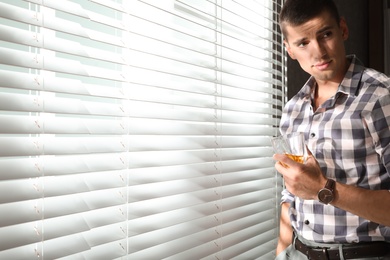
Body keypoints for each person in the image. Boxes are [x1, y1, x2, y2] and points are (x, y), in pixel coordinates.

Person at [274, 0, 390, 259]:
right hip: (298, 252)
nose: (318, 52)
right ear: (289, 49)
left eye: (325, 34)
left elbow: (313, 186)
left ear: (343, 29)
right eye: (303, 43)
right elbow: (290, 193)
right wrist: (281, 252)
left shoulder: (381, 97)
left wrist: (323, 189)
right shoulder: (292, 109)